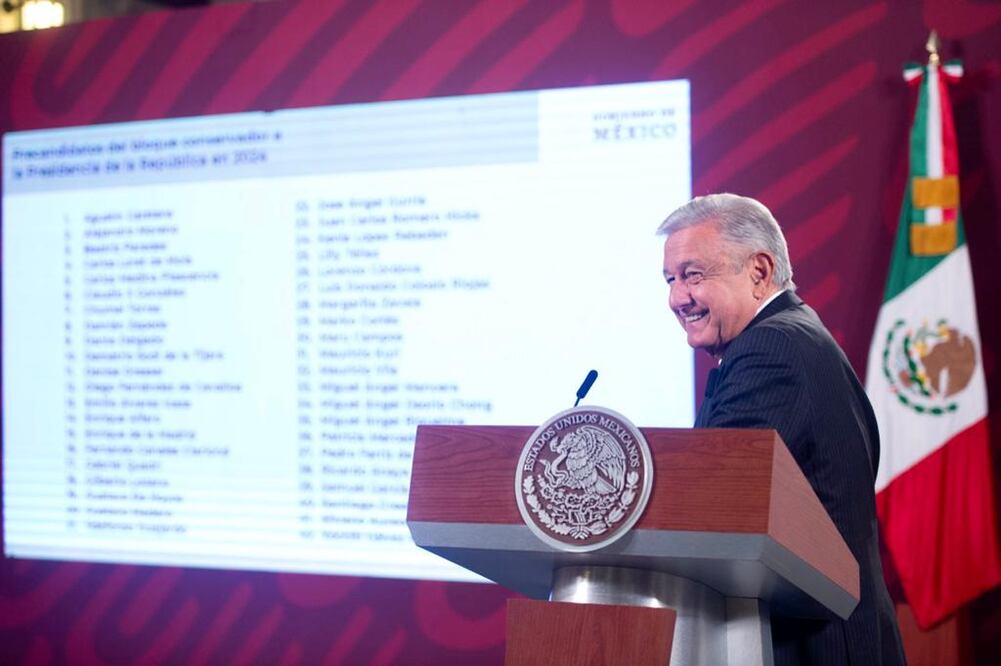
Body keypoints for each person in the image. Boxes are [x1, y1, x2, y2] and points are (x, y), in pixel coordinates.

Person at [658, 193, 905, 665]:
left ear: (759, 271)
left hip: (811, 647)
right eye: (670, 279)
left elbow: (708, 505)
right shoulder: (792, 334)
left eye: (693, 275)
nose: (676, 297)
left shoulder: (772, 349)